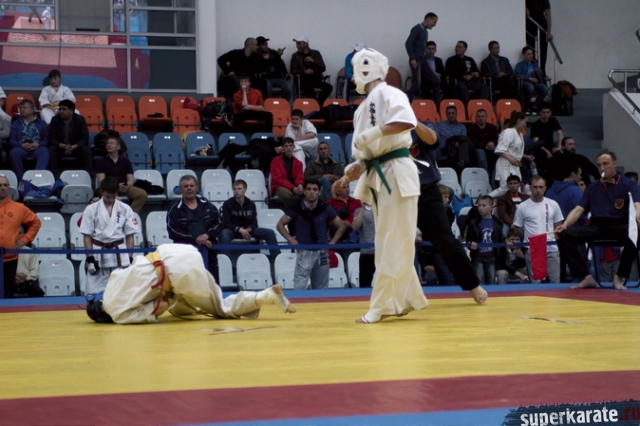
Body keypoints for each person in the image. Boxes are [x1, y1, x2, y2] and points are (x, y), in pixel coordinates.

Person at [331, 47, 430, 323]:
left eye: (356, 72)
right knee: (391, 239)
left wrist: (373, 133)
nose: (353, 79)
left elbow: (406, 121)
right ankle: (406, 298)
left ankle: (382, 305)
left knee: (392, 240)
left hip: (396, 171)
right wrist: (349, 174)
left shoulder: (389, 93)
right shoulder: (363, 107)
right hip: (379, 173)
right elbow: (366, 153)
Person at [99, 244, 296, 324]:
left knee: (221, 308)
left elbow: (162, 306)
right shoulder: (111, 283)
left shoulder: (118, 315)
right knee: (182, 304)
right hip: (174, 253)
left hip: (177, 274)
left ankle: (265, 295)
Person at [410, 119, 488, 302]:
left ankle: (472, 284)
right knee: (393, 243)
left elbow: (433, 140)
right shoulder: (383, 134)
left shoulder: (416, 128)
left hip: (425, 191)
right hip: (397, 194)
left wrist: (412, 122)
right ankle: (399, 293)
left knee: (445, 240)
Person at [557, 152, 640, 290]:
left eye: (606, 164)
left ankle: (619, 276)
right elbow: (578, 210)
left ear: (615, 164)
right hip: (597, 227)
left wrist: (638, 218)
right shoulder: (592, 187)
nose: (602, 168)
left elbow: (637, 204)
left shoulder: (628, 184)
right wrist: (565, 224)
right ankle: (585, 276)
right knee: (564, 236)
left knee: (636, 233)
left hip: (619, 225)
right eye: (599, 165)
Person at [276, 179, 347, 290]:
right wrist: (291, 240)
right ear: (304, 191)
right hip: (304, 251)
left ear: (319, 192)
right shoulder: (297, 208)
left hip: (322, 252)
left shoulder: (325, 208)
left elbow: (342, 226)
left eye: (315, 189)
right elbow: (280, 224)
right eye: (309, 189)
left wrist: (332, 242)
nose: (311, 192)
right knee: (299, 288)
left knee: (321, 290)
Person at [80, 177, 139, 296]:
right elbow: (87, 236)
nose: (111, 199)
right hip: (98, 253)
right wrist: (90, 258)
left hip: (120, 252)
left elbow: (130, 235)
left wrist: (130, 257)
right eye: (108, 196)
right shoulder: (91, 209)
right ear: (102, 192)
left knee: (122, 292)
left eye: (113, 196)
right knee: (94, 292)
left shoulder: (125, 208)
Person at [166, 175, 221, 283]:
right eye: (185, 186)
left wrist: (207, 235)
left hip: (208, 252)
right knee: (189, 286)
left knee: (212, 285)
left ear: (196, 187)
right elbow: (172, 231)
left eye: (191, 185)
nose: (189, 188)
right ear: (180, 189)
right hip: (184, 255)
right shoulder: (174, 209)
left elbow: (219, 223)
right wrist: (195, 239)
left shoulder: (208, 206)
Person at [513, 175, 564, 283]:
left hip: (551, 247)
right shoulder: (522, 206)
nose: (538, 190)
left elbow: (558, 226)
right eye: (535, 187)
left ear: (545, 188)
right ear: (530, 188)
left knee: (555, 282)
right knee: (535, 284)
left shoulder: (553, 204)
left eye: (541, 187)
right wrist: (528, 239)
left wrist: (555, 235)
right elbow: (517, 228)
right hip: (533, 248)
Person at [0, 175, 41, 298]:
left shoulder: (19, 208)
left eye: (5, 185)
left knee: (6, 296)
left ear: (8, 188)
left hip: (10, 260)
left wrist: (25, 239)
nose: (2, 188)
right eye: (0, 185)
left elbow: (36, 222)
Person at [218, 179, 281, 259]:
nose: (236, 191)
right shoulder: (227, 204)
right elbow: (226, 223)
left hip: (248, 231)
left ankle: (278, 259)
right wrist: (239, 229)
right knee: (224, 233)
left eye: (239, 189)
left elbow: (254, 223)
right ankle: (225, 262)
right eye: (234, 189)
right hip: (234, 231)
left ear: (245, 189)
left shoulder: (251, 204)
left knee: (270, 232)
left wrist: (249, 229)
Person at [95, 135, 147, 213]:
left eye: (112, 143)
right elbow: (101, 181)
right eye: (108, 143)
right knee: (105, 194)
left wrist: (128, 185)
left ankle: (130, 214)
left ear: (118, 147)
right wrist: (115, 186)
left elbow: (130, 178)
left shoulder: (126, 161)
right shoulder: (101, 162)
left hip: (123, 188)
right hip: (108, 188)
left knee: (142, 194)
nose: (109, 145)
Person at [490, 111, 534, 197]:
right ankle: (485, 199)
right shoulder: (508, 132)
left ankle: (514, 205)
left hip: (515, 164)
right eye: (525, 122)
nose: (525, 124)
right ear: (519, 120)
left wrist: (526, 156)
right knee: (505, 188)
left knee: (517, 188)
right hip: (505, 164)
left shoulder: (520, 134)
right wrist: (511, 159)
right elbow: (500, 150)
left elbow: (514, 151)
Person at [47, 99, 93, 177]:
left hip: (75, 147)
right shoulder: (55, 119)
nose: (61, 111)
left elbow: (84, 138)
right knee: (51, 150)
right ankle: (52, 177)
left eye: (64, 109)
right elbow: (51, 138)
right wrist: (63, 146)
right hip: (60, 147)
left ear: (71, 111)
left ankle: (88, 177)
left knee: (86, 150)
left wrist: (73, 147)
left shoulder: (80, 120)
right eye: (60, 109)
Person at [465, 195, 504, 284]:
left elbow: (499, 239)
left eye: (483, 205)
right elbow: (468, 240)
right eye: (479, 205)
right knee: (480, 280)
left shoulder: (498, 223)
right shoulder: (473, 222)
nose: (480, 208)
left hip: (492, 256)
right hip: (478, 256)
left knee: (491, 280)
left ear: (491, 207)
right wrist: (471, 245)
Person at [8, 99, 49, 181]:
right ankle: (21, 180)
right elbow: (11, 141)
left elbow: (47, 139)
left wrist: (38, 144)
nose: (22, 110)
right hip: (22, 148)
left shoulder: (42, 123)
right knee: (13, 153)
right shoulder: (15, 123)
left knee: (45, 152)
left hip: (37, 147)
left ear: (32, 110)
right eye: (21, 108)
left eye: (24, 108)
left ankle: (37, 179)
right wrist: (21, 145)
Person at [404, 12, 439, 102]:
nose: (434, 25)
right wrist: (412, 58)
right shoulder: (417, 28)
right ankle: (406, 102)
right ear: (428, 19)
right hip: (416, 59)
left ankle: (436, 104)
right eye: (434, 22)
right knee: (417, 84)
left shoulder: (425, 32)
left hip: (423, 59)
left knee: (436, 79)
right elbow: (408, 43)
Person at [290, 36, 332, 106]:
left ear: (306, 44)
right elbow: (292, 70)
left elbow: (323, 68)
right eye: (297, 44)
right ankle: (316, 105)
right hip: (303, 80)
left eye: (299, 43)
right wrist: (304, 71)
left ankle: (317, 104)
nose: (297, 46)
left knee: (329, 87)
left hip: (315, 79)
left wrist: (313, 61)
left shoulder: (316, 53)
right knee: (307, 84)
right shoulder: (295, 56)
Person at [270, 137, 304, 208]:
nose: (288, 148)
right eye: (286, 146)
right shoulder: (275, 161)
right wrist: (292, 188)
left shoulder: (298, 163)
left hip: (294, 186)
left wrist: (300, 185)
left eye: (290, 146)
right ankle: (292, 213)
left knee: (308, 193)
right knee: (287, 195)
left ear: (294, 147)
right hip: (279, 186)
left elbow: (299, 176)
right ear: (283, 148)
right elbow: (278, 179)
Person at [514, 46, 550, 115]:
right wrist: (529, 78)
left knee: (545, 88)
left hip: (535, 83)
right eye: (528, 54)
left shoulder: (535, 64)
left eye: (531, 54)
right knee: (530, 87)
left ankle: (535, 106)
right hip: (525, 82)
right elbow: (517, 74)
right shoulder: (520, 64)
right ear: (523, 55)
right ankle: (527, 108)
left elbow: (540, 73)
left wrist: (545, 77)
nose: (531, 56)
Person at [256, 36, 292, 102]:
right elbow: (258, 68)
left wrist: (285, 73)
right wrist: (268, 70)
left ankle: (284, 104)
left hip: (277, 78)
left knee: (288, 86)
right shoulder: (256, 56)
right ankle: (269, 105)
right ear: (258, 46)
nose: (266, 46)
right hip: (265, 79)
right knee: (267, 87)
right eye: (264, 45)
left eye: (266, 44)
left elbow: (281, 63)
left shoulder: (273, 53)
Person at [466, 108, 499, 175]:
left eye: (483, 116)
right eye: (479, 117)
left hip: (491, 148)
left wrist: (493, 142)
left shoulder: (492, 127)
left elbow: (496, 138)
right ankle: (486, 175)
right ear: (476, 118)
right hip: (478, 149)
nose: (481, 118)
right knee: (481, 154)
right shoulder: (471, 128)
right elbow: (473, 142)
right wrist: (485, 147)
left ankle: (496, 175)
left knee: (500, 152)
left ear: (486, 117)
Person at [13, 226, 43, 297]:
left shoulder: (30, 252)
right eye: (14, 233)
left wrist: (25, 277)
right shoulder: (4, 251)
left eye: (19, 233)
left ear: (23, 235)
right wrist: (14, 277)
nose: (17, 235)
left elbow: (35, 272)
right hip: (8, 281)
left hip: (26, 282)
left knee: (37, 291)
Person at [352, 202, 375, 288]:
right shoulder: (359, 211)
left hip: (383, 253)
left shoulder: (383, 209)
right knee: (365, 284)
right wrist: (362, 209)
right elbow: (355, 227)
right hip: (367, 252)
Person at [525, 0, 552, 73]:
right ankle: (532, 69)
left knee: (543, 49)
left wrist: (549, 32)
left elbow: (548, 15)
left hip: (541, 25)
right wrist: (525, 8)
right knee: (530, 48)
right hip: (529, 24)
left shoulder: (544, 1)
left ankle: (542, 71)